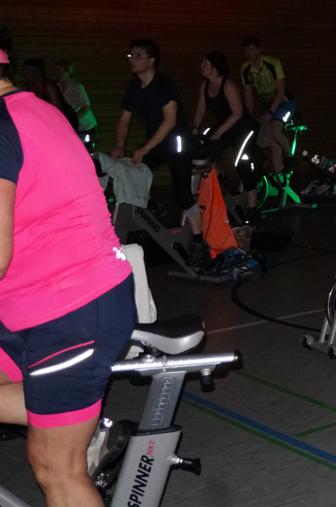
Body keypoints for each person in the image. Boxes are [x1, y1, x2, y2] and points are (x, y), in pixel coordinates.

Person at [0, 25, 135, 507]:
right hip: (28, 305)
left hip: (72, 309)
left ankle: (75, 422)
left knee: (54, 466)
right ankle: (84, 420)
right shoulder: (33, 107)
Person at [111, 39, 206, 267]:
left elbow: (170, 121)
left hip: (177, 142)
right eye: (130, 56)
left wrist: (145, 148)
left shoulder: (164, 84)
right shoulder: (134, 87)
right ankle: (154, 208)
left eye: (138, 56)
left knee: (182, 194)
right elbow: (124, 120)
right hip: (158, 142)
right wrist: (120, 145)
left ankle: (199, 241)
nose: (132, 60)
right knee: (132, 168)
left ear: (151, 61)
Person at [193, 52, 264, 223]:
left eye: (205, 63)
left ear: (214, 67)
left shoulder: (228, 85)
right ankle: (220, 178)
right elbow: (201, 109)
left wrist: (220, 132)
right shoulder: (205, 86)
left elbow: (237, 113)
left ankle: (252, 209)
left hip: (243, 127)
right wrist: (195, 129)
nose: (201, 66)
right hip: (227, 126)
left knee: (242, 164)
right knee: (204, 148)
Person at [239, 36, 294, 175]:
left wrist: (270, 113)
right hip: (268, 105)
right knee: (274, 146)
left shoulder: (273, 63)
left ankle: (291, 158)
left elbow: (281, 92)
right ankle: (281, 178)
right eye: (246, 50)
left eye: (252, 49)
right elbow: (248, 95)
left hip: (284, 103)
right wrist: (248, 116)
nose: (249, 53)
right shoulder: (245, 68)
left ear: (259, 49)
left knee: (275, 130)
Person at [21, 58, 78, 131]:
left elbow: (57, 110)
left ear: (38, 73)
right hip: (46, 120)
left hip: (64, 120)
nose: (26, 75)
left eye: (29, 72)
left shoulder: (48, 86)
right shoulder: (28, 86)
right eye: (24, 72)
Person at [54, 60, 98, 144]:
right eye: (56, 71)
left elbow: (86, 107)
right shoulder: (57, 88)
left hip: (85, 126)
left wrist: (72, 119)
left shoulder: (77, 87)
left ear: (68, 72)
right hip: (70, 127)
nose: (57, 74)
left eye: (60, 71)